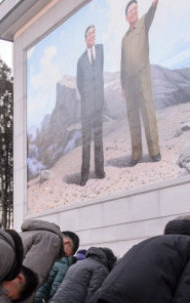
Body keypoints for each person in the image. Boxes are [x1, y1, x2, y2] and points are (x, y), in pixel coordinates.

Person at [121, 0, 160, 166]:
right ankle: (136, 154)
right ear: (126, 17)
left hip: (142, 77)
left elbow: (151, 13)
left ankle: (154, 151)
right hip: (129, 83)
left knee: (148, 113)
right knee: (133, 117)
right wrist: (123, 86)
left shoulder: (143, 22)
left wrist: (154, 4)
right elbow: (122, 63)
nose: (134, 12)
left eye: (136, 9)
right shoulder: (124, 38)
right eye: (131, 11)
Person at [77, 25, 105, 185]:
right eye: (89, 33)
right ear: (85, 38)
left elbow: (99, 75)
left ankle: (100, 171)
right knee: (86, 141)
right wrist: (88, 99)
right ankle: (84, 175)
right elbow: (79, 84)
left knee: (99, 139)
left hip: (98, 104)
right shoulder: (81, 60)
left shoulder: (101, 51)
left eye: (94, 32)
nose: (92, 36)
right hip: (87, 108)